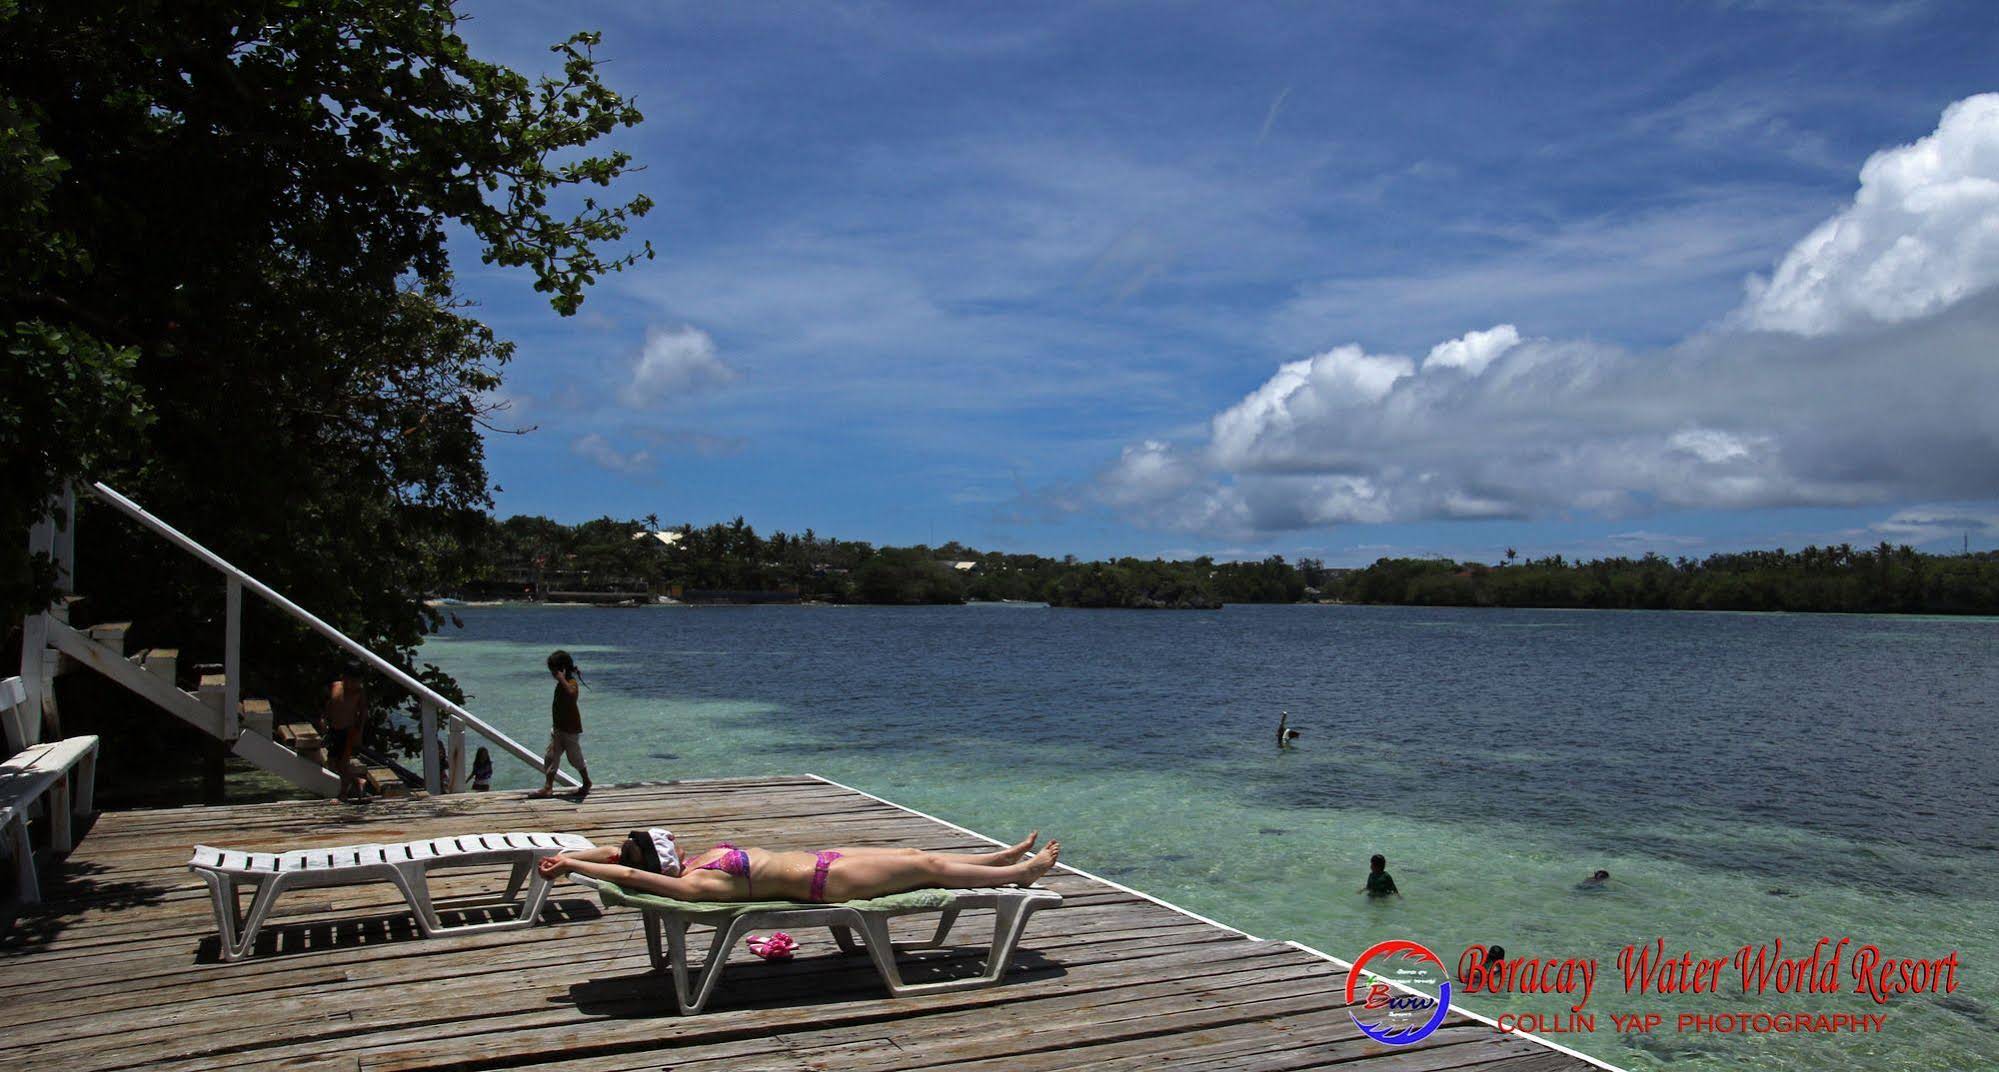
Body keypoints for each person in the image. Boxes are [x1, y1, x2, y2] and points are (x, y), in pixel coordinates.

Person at [539, 829, 1060, 904]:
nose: (672, 836)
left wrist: (569, 858)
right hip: (823, 882)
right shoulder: (695, 881)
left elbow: (616, 855)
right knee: (923, 868)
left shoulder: (691, 862)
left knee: (910, 856)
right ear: (665, 862)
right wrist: (573, 871)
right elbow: (628, 872)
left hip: (824, 859)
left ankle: (996, 860)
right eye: (662, 841)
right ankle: (1017, 875)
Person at [529, 650, 591, 800]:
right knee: (550, 757)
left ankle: (587, 782)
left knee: (574, 759)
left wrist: (562, 679)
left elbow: (571, 695)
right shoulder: (562, 684)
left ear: (562, 670)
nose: (552, 675)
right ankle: (548, 787)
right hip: (558, 728)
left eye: (554, 671)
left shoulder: (571, 683)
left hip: (570, 730)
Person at [321, 661, 368, 801]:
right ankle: (357, 781)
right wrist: (323, 719)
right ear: (343, 677)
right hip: (334, 730)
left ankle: (343, 794)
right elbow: (328, 705)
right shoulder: (335, 686)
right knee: (331, 762)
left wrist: (359, 733)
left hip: (348, 731)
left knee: (343, 764)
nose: (352, 685)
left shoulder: (359, 693)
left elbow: (363, 714)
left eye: (356, 682)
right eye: (349, 681)